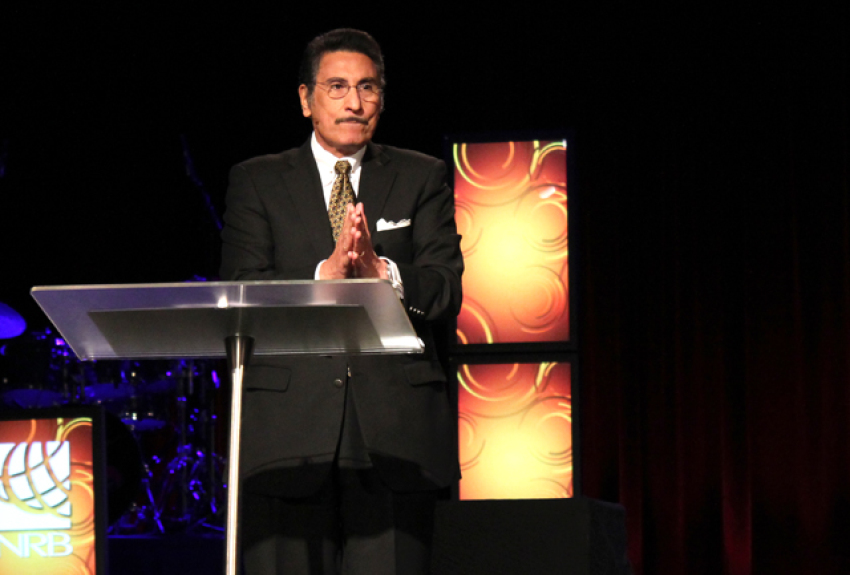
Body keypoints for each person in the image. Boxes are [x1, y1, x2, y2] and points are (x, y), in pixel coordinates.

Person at [219, 28, 463, 575]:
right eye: (336, 87)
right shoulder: (256, 181)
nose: (354, 103)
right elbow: (240, 286)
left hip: (395, 437)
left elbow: (446, 288)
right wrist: (320, 277)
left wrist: (386, 275)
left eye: (367, 87)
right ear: (306, 99)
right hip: (287, 435)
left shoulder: (422, 176)